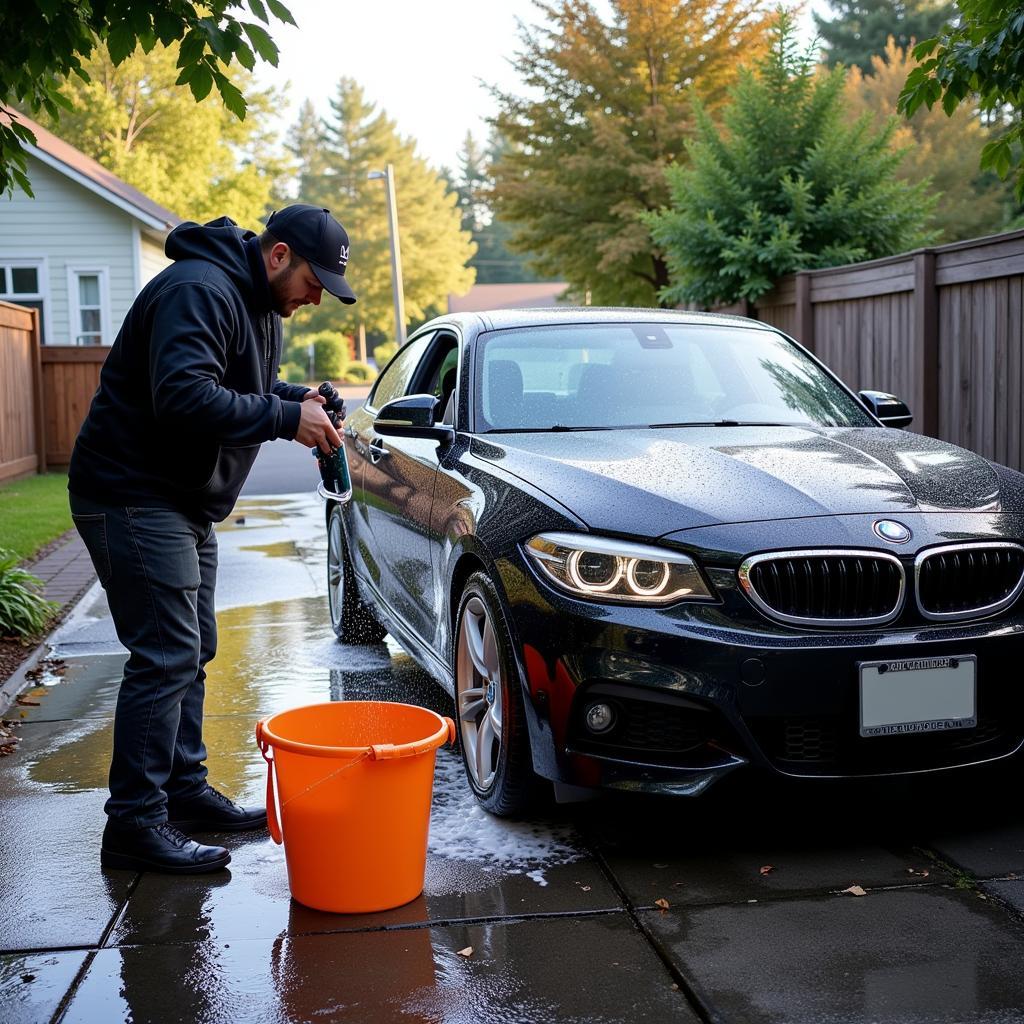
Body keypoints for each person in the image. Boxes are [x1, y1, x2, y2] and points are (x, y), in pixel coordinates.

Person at [68, 205, 356, 874]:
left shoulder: (251, 301)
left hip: (179, 500)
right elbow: (184, 398)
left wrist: (301, 400)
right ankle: (134, 827)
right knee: (165, 654)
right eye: (316, 282)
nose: (317, 299)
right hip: (133, 495)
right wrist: (287, 418)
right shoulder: (200, 289)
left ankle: (184, 795)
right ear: (279, 255)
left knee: (192, 648)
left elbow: (239, 387)